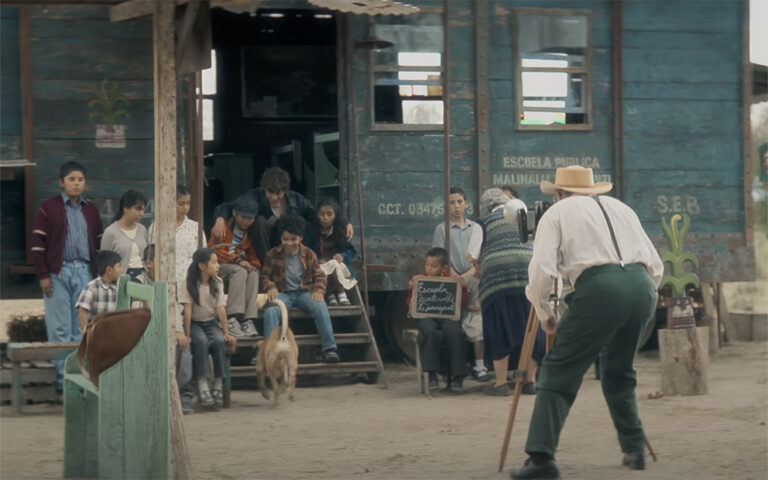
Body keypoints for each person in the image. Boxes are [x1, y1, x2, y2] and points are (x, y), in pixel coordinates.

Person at [508, 166, 664, 479]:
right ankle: (634, 449)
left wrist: (544, 313)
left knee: (557, 370)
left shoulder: (556, 213)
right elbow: (655, 265)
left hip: (600, 289)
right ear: (593, 189)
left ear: (559, 193)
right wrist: (637, 295)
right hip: (642, 286)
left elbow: (541, 270)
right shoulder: (623, 208)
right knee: (619, 370)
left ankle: (541, 458)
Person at [32, 161, 103, 391]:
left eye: (80, 179)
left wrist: (97, 275)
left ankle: (79, 379)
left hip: (84, 272)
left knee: (81, 328)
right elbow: (37, 244)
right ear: (62, 182)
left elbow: (99, 243)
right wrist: (43, 275)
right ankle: (63, 383)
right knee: (60, 328)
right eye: (71, 179)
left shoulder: (91, 210)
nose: (76, 183)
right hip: (57, 273)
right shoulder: (49, 207)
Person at [467, 188, 545, 397]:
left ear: (485, 207)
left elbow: (471, 255)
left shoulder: (482, 223)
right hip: (528, 276)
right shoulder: (523, 215)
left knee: (498, 326)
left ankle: (500, 383)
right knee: (531, 328)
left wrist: (479, 266)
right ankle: (530, 381)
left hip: (497, 282)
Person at [210, 166, 353, 261]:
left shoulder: (295, 198)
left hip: (287, 241)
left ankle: (298, 263)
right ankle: (267, 266)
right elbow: (230, 206)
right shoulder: (255, 196)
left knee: (299, 220)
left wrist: (345, 222)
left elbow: (317, 214)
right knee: (259, 221)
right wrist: (220, 218)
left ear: (285, 191)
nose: (273, 197)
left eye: (278, 193)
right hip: (264, 244)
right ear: (264, 189)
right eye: (269, 193)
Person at [261, 216, 340, 363]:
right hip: (283, 293)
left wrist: (318, 290)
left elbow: (320, 275)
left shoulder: (309, 254)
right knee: (271, 310)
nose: (289, 243)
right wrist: (270, 286)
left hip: (305, 292)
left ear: (300, 238)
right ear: (281, 238)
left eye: (293, 239)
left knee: (321, 306)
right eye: (285, 239)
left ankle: (329, 349)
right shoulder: (272, 254)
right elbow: (264, 276)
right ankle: (269, 351)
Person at [431, 186, 489, 382]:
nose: (456, 206)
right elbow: (440, 257)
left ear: (466, 204)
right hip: (452, 281)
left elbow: (479, 255)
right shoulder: (442, 229)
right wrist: (455, 275)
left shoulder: (476, 228)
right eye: (451, 203)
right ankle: (457, 365)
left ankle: (479, 365)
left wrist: (470, 273)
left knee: (477, 319)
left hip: (475, 278)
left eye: (459, 202)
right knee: (454, 324)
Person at [136, 244, 195, 414]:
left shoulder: (170, 283)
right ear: (149, 263)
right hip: (147, 332)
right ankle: (155, 396)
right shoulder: (138, 282)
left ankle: (183, 397)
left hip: (169, 331)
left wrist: (178, 330)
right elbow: (138, 314)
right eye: (162, 260)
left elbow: (175, 309)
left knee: (184, 346)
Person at [178, 248, 237, 409]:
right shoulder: (188, 283)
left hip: (211, 322)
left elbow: (221, 309)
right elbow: (187, 311)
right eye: (214, 262)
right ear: (202, 266)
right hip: (195, 323)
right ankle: (202, 385)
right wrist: (187, 334)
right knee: (201, 342)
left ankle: (218, 383)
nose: (218, 265)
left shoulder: (217, 282)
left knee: (219, 341)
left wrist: (226, 333)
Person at [407, 247, 469, 394]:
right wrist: (412, 291)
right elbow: (410, 304)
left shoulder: (451, 281)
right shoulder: (420, 280)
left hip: (447, 316)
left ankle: (458, 376)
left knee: (455, 332)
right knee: (429, 332)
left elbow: (462, 303)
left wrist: (463, 288)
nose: (429, 269)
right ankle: (432, 375)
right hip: (427, 316)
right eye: (427, 265)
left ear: (444, 268)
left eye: (433, 266)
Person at [208, 195, 261, 337]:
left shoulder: (249, 233)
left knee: (253, 273)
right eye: (243, 217)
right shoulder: (222, 226)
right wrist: (238, 261)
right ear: (234, 213)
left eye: (250, 218)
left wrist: (253, 264)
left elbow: (252, 253)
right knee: (240, 271)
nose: (247, 221)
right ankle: (232, 318)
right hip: (218, 268)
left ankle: (248, 320)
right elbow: (215, 250)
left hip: (236, 267)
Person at [306, 198, 357, 306]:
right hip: (320, 267)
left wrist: (342, 256)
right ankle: (330, 294)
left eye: (329, 214)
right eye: (322, 214)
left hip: (339, 267)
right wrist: (317, 260)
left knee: (334, 264)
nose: (325, 218)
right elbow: (307, 251)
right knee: (324, 268)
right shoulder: (312, 231)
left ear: (335, 216)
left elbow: (352, 251)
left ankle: (341, 293)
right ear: (317, 215)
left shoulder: (341, 231)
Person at [101, 189, 148, 280]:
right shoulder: (111, 232)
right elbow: (104, 261)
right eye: (138, 209)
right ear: (126, 209)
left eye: (143, 209)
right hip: (122, 277)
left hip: (143, 277)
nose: (141, 213)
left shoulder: (142, 229)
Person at [75, 250, 123, 330]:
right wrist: (86, 334)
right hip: (97, 335)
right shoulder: (92, 287)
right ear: (109, 270)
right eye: (119, 266)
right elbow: (82, 310)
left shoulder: (119, 288)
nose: (122, 270)